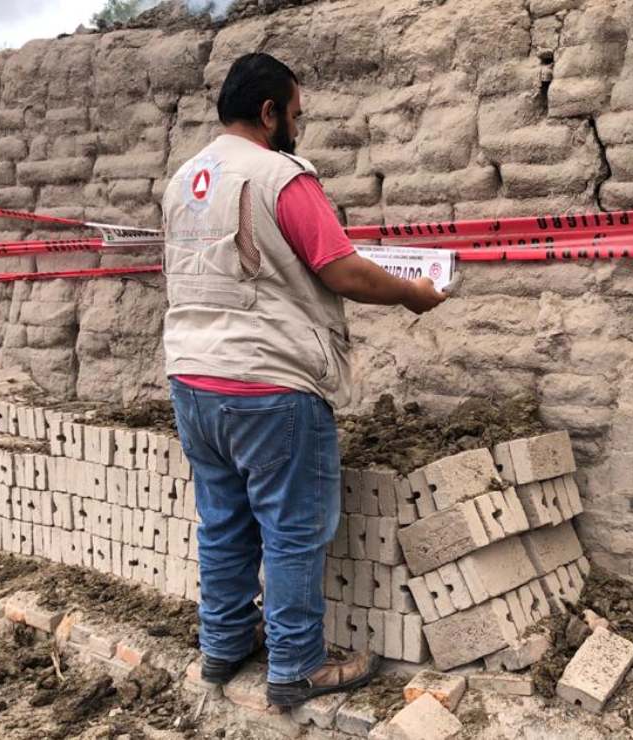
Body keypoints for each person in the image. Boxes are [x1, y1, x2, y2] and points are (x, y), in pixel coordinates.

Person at [161, 52, 447, 707]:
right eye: (295, 114)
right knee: (293, 528)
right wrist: (411, 294)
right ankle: (295, 666)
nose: (298, 126)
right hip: (269, 384)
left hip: (192, 381)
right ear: (269, 113)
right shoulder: (279, 176)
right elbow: (340, 268)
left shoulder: (184, 179)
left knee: (223, 522)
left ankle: (223, 646)